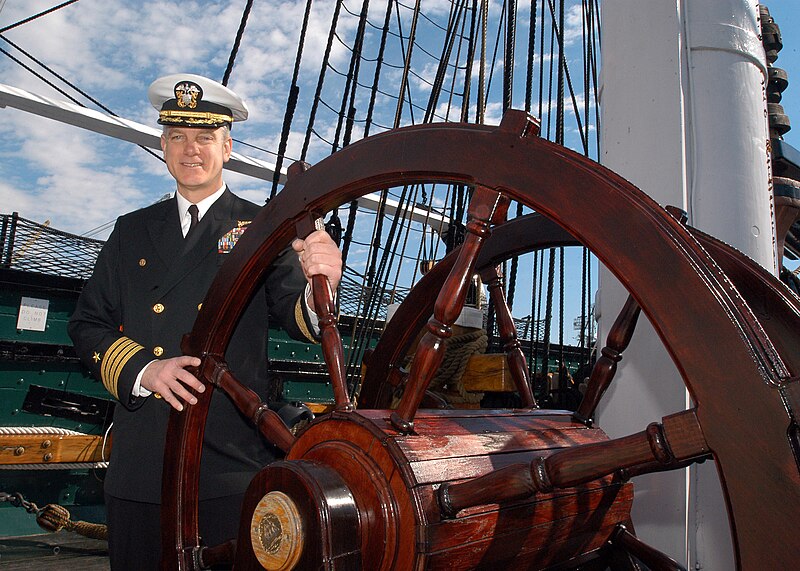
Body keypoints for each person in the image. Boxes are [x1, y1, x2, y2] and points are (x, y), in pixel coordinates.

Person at [68, 73, 342, 569]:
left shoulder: (263, 227)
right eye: (177, 136)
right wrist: (143, 371)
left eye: (204, 137)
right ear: (162, 144)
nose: (190, 149)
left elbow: (301, 320)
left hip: (227, 466)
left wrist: (323, 279)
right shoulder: (132, 230)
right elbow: (87, 323)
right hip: (141, 468)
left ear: (228, 146)